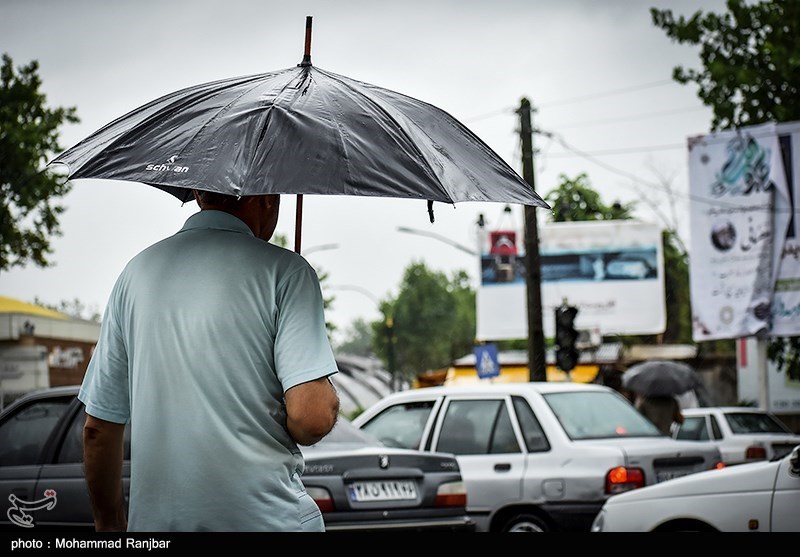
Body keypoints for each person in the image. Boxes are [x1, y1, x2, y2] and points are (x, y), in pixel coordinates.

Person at [79, 190, 340, 532]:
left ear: (199, 194)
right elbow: (311, 418)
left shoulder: (135, 275)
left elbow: (98, 430)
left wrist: (109, 523)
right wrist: (327, 392)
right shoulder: (287, 272)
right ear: (268, 199)